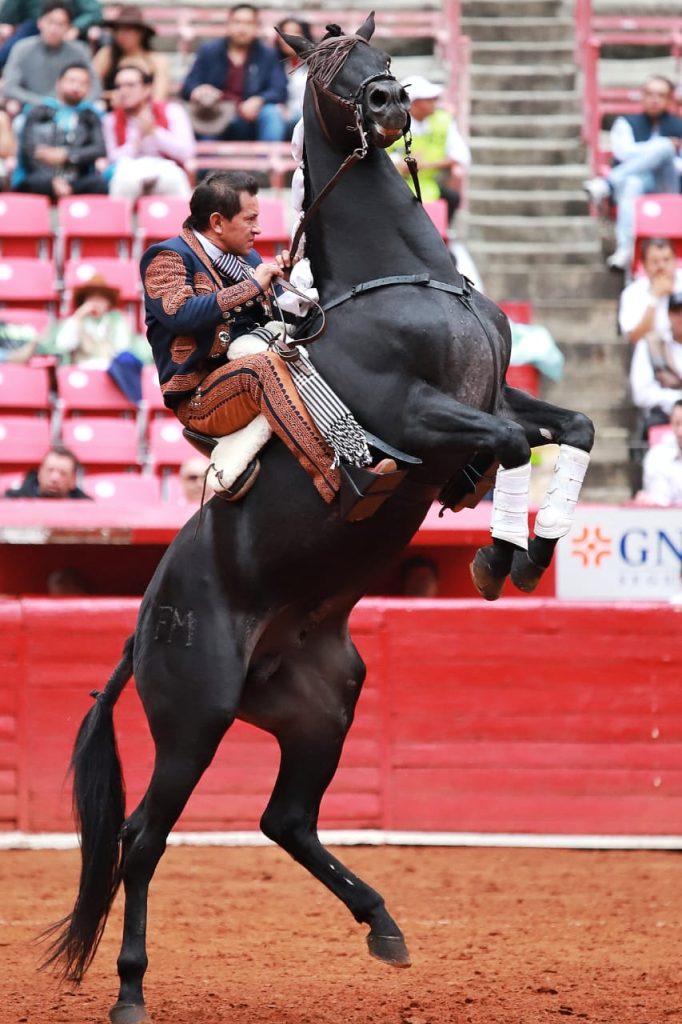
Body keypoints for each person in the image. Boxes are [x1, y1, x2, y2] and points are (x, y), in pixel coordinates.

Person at [140, 170, 395, 502]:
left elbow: (266, 320)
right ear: (217, 223)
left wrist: (282, 288)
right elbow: (182, 314)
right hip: (201, 397)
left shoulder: (249, 259)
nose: (257, 228)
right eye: (250, 219)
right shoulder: (167, 257)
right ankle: (338, 480)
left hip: (253, 364)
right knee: (263, 367)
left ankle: (366, 449)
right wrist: (252, 287)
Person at [583, 76, 682, 271]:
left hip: (667, 185)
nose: (654, 99)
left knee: (664, 149)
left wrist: (663, 155)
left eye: (660, 95)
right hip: (635, 185)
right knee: (633, 182)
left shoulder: (678, 125)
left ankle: (606, 184)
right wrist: (660, 150)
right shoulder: (625, 123)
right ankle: (625, 249)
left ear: (669, 100)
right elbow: (623, 154)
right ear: (642, 96)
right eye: (650, 94)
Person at [180, 3, 287, 142]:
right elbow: (188, 85)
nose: (242, 28)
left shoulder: (268, 54)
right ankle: (207, 163)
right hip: (217, 111)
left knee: (272, 113)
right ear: (228, 25)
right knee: (206, 115)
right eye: (237, 22)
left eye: (248, 23)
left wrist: (260, 100)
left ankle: (268, 161)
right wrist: (199, 90)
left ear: (256, 27)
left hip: (252, 114)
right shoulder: (209, 51)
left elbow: (279, 89)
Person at [12, 62, 107, 198]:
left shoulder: (90, 115)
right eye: (71, 81)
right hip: (42, 176)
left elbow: (98, 149)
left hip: (77, 176)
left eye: (83, 83)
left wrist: (66, 155)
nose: (76, 87)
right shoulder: (38, 111)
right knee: (34, 184)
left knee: (98, 184)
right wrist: (53, 180)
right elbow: (29, 151)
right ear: (58, 83)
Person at [103, 64, 195, 200]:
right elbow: (114, 159)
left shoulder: (172, 110)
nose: (123, 91)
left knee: (175, 178)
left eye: (130, 85)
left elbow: (186, 152)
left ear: (147, 89)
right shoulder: (110, 119)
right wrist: (138, 139)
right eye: (118, 86)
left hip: (166, 167)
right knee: (121, 180)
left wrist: (154, 131)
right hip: (129, 170)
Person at [389, 75, 470, 223]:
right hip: (396, 186)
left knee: (452, 198)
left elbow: (461, 156)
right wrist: (399, 165)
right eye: (429, 99)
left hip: (429, 185)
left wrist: (426, 165)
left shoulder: (443, 120)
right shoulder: (391, 123)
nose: (435, 102)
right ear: (414, 103)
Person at [2, 0, 100, 116]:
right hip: (32, 109)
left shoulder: (79, 51)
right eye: (50, 22)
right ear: (40, 22)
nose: (54, 29)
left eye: (60, 24)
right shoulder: (22, 48)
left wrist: (82, 103)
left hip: (73, 109)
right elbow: (10, 87)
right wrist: (43, 102)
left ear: (69, 27)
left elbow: (95, 85)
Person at [92, 5, 170, 108]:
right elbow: (90, 87)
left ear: (140, 33)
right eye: (118, 30)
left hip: (144, 115)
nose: (121, 35)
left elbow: (159, 97)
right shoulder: (106, 55)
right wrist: (111, 96)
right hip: (109, 113)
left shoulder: (156, 60)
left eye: (127, 30)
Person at [52, 272, 136, 367]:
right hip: (83, 372)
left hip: (110, 371)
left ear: (108, 302)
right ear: (84, 301)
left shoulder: (116, 321)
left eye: (101, 298)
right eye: (92, 297)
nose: (96, 302)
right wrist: (78, 315)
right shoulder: (77, 320)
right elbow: (63, 344)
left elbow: (123, 349)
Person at [630, 291, 682, 438]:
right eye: (676, 312)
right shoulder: (650, 344)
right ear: (668, 315)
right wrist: (677, 399)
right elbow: (641, 394)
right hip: (664, 421)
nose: (681, 317)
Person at [0, 0, 101, 71]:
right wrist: (5, 24)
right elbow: (8, 13)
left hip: (67, 30)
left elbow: (94, 13)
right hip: (32, 28)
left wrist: (76, 28)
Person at [618, 238, 682, 346]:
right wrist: (654, 298)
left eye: (666, 260)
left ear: (675, 260)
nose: (661, 266)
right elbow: (634, 337)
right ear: (644, 264)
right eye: (655, 261)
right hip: (649, 359)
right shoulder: (632, 293)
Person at [636, 399, 682, 505]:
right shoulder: (656, 456)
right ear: (670, 422)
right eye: (677, 423)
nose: (680, 431)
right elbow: (658, 499)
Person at [274, 16, 313, 141]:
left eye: (296, 32)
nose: (290, 38)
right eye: (285, 33)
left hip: (306, 115)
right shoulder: (272, 62)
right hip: (280, 116)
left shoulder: (315, 64)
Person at [4, 445, 91, 498]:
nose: (55, 478)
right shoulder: (13, 501)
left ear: (72, 481)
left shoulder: (86, 509)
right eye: (50, 471)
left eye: (63, 473)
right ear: (40, 473)